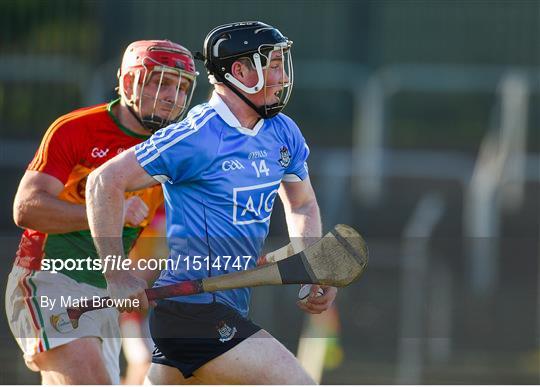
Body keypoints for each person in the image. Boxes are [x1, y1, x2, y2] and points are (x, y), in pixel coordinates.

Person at [85, 21, 337, 385]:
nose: (283, 76)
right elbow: (103, 181)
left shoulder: (283, 132)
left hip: (223, 308)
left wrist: (312, 265)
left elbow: (302, 205)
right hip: (193, 314)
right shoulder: (196, 135)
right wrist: (116, 274)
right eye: (274, 63)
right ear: (240, 71)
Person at [5, 39, 198, 384]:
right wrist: (106, 211)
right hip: (50, 278)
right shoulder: (76, 129)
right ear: (128, 83)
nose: (174, 97)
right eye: (162, 83)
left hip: (107, 294)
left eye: (183, 88)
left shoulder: (175, 149)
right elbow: (26, 208)